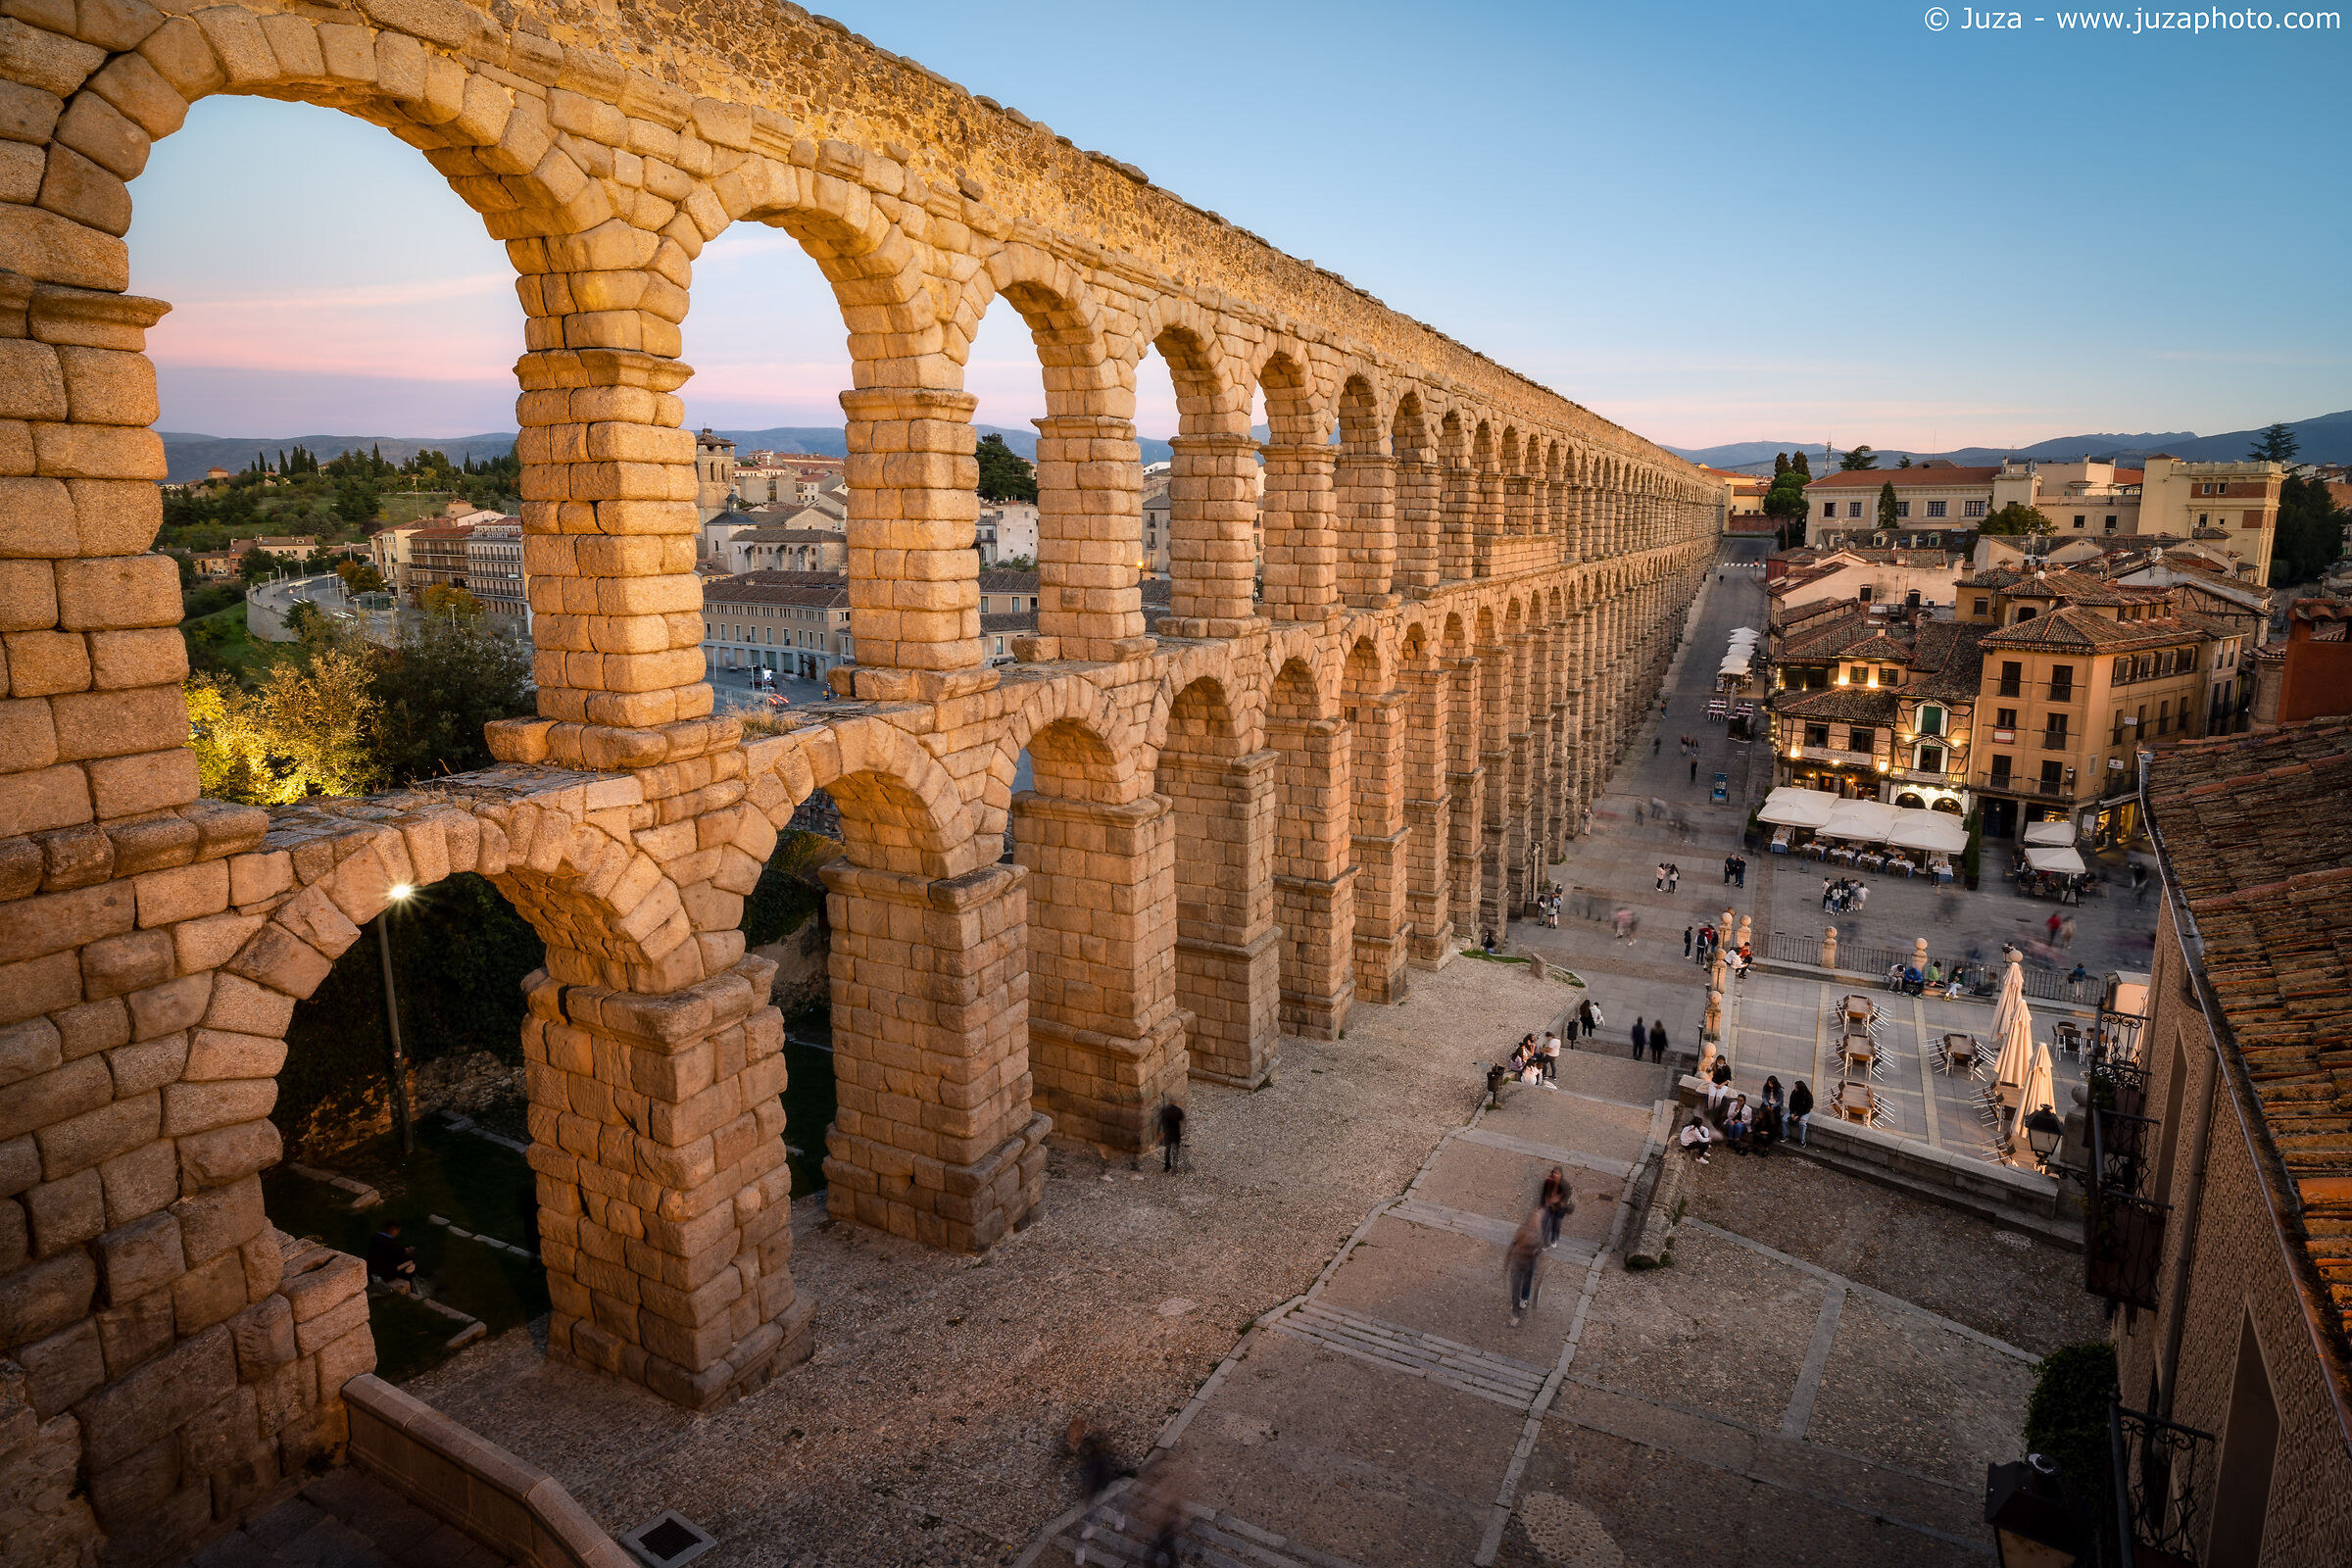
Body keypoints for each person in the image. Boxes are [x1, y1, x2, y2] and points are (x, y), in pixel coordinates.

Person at [1068, 1419, 1123, 1564]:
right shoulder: (1092, 1457)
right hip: (1097, 1489)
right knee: (1096, 1520)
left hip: (1102, 1486)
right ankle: (1080, 1545)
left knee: (1115, 1501)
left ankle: (1119, 1517)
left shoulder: (1099, 1457)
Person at [1505, 1208, 1544, 1325]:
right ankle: (1520, 1304)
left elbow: (1512, 1246)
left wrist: (1507, 1262)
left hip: (1521, 1263)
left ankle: (1518, 1306)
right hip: (1524, 1263)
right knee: (1522, 1283)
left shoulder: (1525, 1232)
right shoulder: (1533, 1234)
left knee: (1518, 1285)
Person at [368, 1221, 417, 1294]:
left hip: (371, 1271)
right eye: (398, 1231)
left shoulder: (375, 1237)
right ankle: (410, 1287)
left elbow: (387, 1250)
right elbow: (399, 1256)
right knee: (411, 1260)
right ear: (394, 1229)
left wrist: (403, 1249)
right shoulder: (392, 1243)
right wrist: (408, 1252)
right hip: (384, 1275)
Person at [1540, 1167, 1574, 1249]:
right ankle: (1546, 1242)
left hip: (1560, 1209)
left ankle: (1554, 1238)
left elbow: (1567, 1196)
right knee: (1546, 1224)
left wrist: (1561, 1203)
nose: (1555, 1175)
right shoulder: (1548, 1181)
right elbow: (1544, 1193)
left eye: (1557, 1173)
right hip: (1549, 1206)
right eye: (1554, 1173)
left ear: (1561, 1175)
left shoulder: (1564, 1184)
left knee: (1556, 1224)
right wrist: (1542, 1204)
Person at [1157, 1099, 1186, 1173]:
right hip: (1176, 1133)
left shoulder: (1164, 1110)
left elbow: (1160, 1122)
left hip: (1167, 1133)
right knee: (1175, 1151)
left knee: (1167, 1150)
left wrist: (1159, 1133)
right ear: (1174, 1102)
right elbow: (1182, 1121)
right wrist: (1182, 1132)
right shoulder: (1178, 1111)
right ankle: (1175, 1168)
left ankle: (1167, 1166)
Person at [1788, 1080, 1813, 1146]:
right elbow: (1791, 1104)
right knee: (1784, 1120)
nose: (1794, 1088)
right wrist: (1792, 1113)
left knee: (1802, 1123)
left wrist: (1798, 1115)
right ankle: (1785, 1136)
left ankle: (1802, 1140)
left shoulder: (1808, 1096)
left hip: (1805, 1112)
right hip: (1795, 1110)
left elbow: (1808, 1108)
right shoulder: (1794, 1093)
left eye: (1796, 1087)